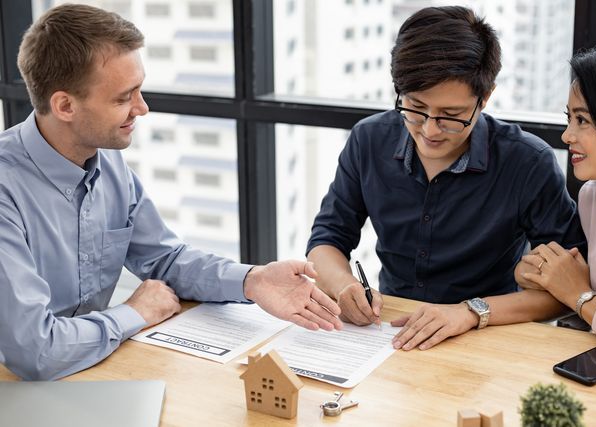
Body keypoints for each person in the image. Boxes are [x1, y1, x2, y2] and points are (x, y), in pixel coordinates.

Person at [0, 4, 342, 381]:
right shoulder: (6, 191)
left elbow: (163, 259)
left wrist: (252, 281)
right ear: (64, 105)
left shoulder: (107, 164)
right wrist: (135, 313)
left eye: (139, 90)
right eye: (122, 98)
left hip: (89, 368)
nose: (142, 108)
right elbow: (35, 350)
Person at [307, 6, 585, 351]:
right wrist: (344, 285)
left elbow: (569, 288)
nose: (428, 130)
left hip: (487, 337)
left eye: (450, 116)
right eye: (415, 107)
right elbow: (327, 238)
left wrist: (470, 312)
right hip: (390, 331)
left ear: (485, 98)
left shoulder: (528, 162)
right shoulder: (368, 139)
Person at [517, 46, 596, 367]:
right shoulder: (593, 198)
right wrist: (543, 274)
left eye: (582, 120)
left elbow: (586, 299)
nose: (566, 135)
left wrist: (581, 296)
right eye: (568, 118)